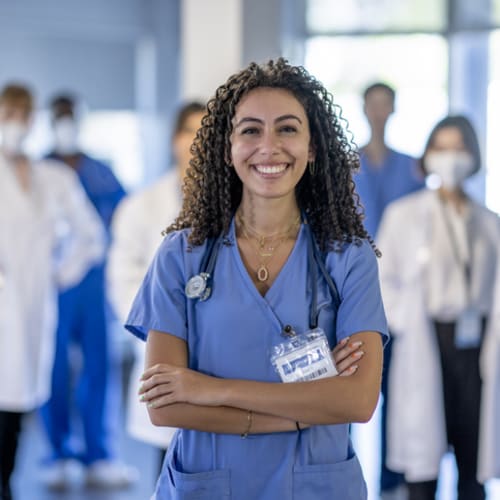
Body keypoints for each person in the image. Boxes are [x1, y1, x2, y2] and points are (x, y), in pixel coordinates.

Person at [125, 58, 388, 499]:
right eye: (250, 130)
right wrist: (299, 414)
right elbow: (166, 405)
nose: (269, 147)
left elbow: (358, 401)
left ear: (313, 146)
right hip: (209, 484)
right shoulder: (182, 256)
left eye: (287, 129)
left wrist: (209, 390)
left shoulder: (348, 258)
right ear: (226, 148)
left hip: (315, 485)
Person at [377, 115, 500, 500]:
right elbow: (383, 282)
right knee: (422, 464)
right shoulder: (403, 215)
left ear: (474, 155)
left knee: (472, 461)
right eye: (441, 148)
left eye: (459, 148)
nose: (451, 158)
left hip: (477, 349)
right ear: (428, 156)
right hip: (425, 341)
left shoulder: (489, 222)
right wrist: (405, 320)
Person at [0, 83, 105, 500]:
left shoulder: (52, 176)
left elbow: (90, 235)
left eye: (25, 115)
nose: (17, 124)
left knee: (20, 399)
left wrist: (59, 273)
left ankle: (6, 483)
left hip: (33, 305)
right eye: (9, 114)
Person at [39, 94, 136, 489]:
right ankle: (58, 453)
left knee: (99, 368)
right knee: (53, 369)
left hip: (94, 285)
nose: (66, 124)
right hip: (54, 284)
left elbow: (124, 220)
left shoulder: (101, 172)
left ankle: (99, 454)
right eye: (59, 117)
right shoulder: (38, 171)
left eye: (70, 118)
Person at [107, 101, 206, 475]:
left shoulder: (239, 204)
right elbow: (123, 281)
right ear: (174, 140)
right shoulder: (141, 206)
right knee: (169, 467)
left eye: (207, 133)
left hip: (220, 360)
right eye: (190, 132)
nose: (197, 143)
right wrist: (166, 330)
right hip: (163, 346)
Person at [355, 82, 425, 500]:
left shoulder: (412, 167)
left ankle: (390, 481)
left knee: (395, 391)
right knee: (343, 385)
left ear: (393, 109)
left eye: (386, 103)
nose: (379, 110)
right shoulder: (347, 166)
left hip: (397, 297)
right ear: (364, 108)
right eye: (373, 103)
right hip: (355, 291)